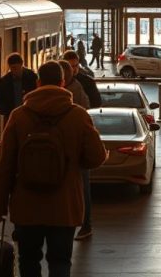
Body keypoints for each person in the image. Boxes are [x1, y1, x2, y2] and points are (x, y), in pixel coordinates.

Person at [0, 61, 106, 277]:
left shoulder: (18, 116)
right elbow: (97, 157)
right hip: (65, 207)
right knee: (61, 262)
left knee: (28, 261)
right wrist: (74, 163)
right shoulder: (79, 115)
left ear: (38, 82)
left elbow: (4, 165)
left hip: (26, 207)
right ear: (63, 83)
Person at [63, 50, 101, 239]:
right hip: (72, 142)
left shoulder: (85, 83)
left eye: (76, 66)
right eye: (70, 67)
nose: (74, 70)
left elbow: (96, 103)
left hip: (78, 141)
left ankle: (86, 224)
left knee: (83, 186)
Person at [0, 53, 39, 117]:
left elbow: (37, 94)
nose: (14, 71)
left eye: (16, 68)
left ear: (21, 65)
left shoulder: (32, 77)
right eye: (12, 68)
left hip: (30, 115)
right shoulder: (4, 81)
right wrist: (6, 112)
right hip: (12, 116)